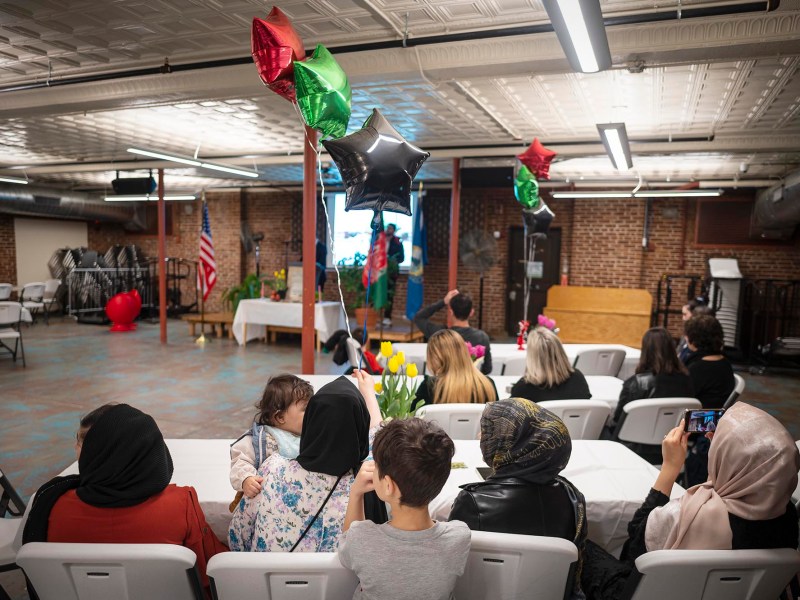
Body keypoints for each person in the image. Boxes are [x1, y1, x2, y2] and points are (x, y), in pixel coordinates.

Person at [581, 402, 799, 600]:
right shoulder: (788, 516)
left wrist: (670, 468)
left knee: (581, 543)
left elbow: (634, 545)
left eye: (720, 441)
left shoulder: (686, 516)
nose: (710, 438)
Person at [23, 404, 227, 597]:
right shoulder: (180, 505)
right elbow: (209, 574)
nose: (76, 446)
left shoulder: (51, 507)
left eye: (81, 441)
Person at [229, 372, 384, 552]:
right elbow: (377, 438)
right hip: (336, 571)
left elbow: (237, 537)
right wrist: (368, 392)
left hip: (266, 570)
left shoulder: (271, 469)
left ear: (314, 420)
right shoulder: (366, 480)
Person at [449, 398, 587, 599]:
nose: (480, 436)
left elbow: (452, 562)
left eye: (488, 431)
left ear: (512, 443)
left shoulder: (473, 501)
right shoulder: (571, 496)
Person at [339, 418, 471, 600]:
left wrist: (356, 493)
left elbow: (346, 550)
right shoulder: (459, 537)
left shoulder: (361, 537)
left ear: (388, 485)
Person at [229, 375, 313, 508]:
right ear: (280, 417)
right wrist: (246, 479)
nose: (313, 413)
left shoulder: (310, 435)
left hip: (296, 503)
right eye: (305, 409)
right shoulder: (262, 439)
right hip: (265, 504)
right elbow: (240, 461)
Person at [608, 327, 694, 432]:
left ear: (645, 351)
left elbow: (618, 421)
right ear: (672, 349)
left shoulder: (635, 383)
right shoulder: (687, 380)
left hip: (634, 439)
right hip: (675, 438)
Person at [412, 329, 498, 412]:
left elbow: (413, 416)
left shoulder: (429, 387)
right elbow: (498, 419)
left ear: (435, 357)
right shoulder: (488, 385)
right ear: (464, 352)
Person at [413, 289, 492, 375]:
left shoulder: (440, 334)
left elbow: (419, 318)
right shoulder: (482, 337)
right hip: (470, 381)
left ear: (451, 312)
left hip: (445, 381)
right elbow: (487, 368)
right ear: (471, 312)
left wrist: (443, 302)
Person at [510, 327, 592, 402]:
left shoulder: (523, 389)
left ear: (531, 356)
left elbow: (508, 412)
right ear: (560, 351)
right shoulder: (578, 379)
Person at [684, 314, 735, 409]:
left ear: (693, 339)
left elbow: (681, 397)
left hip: (699, 414)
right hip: (715, 413)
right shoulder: (725, 363)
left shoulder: (697, 369)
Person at [382, 223, 404, 326]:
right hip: (380, 272)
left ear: (394, 230)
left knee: (389, 295)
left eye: (390, 228)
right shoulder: (381, 240)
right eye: (387, 228)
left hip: (391, 273)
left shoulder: (397, 242)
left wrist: (391, 260)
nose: (388, 230)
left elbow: (401, 258)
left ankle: (387, 317)